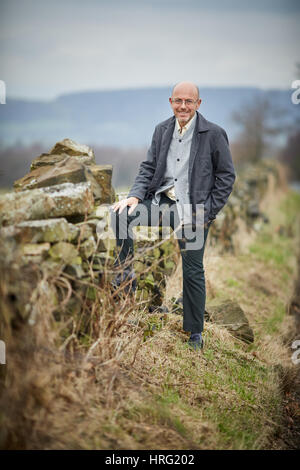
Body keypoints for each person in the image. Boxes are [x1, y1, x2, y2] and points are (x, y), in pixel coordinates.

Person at [111, 81, 236, 350]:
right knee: (120, 216)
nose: (183, 106)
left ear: (198, 104)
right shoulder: (162, 130)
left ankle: (194, 334)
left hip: (193, 214)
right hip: (162, 205)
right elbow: (148, 167)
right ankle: (125, 289)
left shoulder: (214, 134)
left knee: (192, 270)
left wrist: (207, 212)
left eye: (188, 101)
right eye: (178, 101)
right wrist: (134, 195)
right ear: (170, 102)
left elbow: (226, 176)